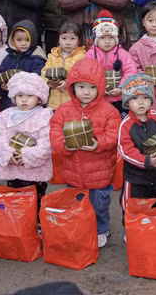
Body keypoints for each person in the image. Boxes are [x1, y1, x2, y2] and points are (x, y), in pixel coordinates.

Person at [49, 57, 121, 249]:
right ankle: (81, 227)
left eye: (91, 87)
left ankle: (101, 229)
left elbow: (114, 135)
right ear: (72, 87)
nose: (86, 92)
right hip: (73, 171)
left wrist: (99, 143)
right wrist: (65, 145)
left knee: (99, 205)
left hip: (100, 171)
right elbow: (55, 134)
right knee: (77, 204)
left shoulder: (109, 111)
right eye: (81, 87)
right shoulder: (63, 111)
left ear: (100, 88)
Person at [117, 73, 156, 213]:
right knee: (133, 207)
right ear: (127, 102)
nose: (141, 102)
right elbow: (125, 151)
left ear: (151, 100)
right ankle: (131, 231)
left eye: (145, 98)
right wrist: (146, 161)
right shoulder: (125, 125)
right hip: (135, 179)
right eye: (135, 98)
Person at [0, 71, 53, 210]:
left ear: (39, 97)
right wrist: (8, 154)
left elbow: (47, 142)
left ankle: (35, 228)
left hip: (36, 172)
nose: (24, 100)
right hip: (12, 169)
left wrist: (26, 156)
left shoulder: (44, 116)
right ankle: (18, 230)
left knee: (35, 204)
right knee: (14, 204)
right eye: (20, 96)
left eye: (29, 96)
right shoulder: (8, 115)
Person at [86, 14, 137, 113]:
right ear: (96, 39)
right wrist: (97, 88)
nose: (107, 41)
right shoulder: (90, 55)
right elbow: (87, 74)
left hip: (120, 98)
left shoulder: (123, 54)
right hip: (98, 98)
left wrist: (122, 88)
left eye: (111, 38)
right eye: (103, 38)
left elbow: (131, 71)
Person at [0, 20, 47, 113]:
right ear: (12, 40)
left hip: (30, 104)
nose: (23, 43)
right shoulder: (9, 58)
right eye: (19, 40)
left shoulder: (36, 58)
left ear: (33, 39)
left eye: (27, 40)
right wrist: (2, 86)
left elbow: (37, 81)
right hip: (9, 103)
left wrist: (16, 85)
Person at [42, 22, 87, 110]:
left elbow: (83, 75)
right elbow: (44, 72)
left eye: (72, 39)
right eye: (64, 38)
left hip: (73, 102)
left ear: (79, 40)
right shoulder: (52, 55)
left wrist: (68, 82)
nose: (68, 42)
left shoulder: (82, 56)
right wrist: (50, 83)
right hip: (54, 103)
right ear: (58, 40)